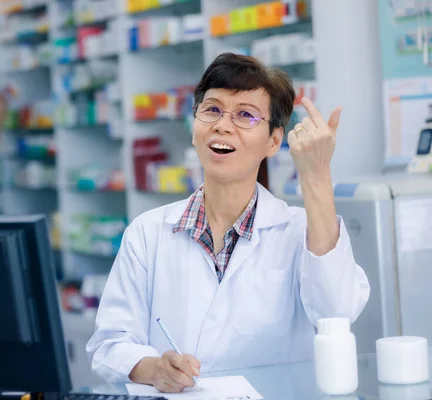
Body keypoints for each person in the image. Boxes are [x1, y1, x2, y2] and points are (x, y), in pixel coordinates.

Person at [86, 53, 370, 392]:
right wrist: (152, 368)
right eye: (212, 110)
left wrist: (317, 175)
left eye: (245, 115)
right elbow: (109, 344)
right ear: (194, 129)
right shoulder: (147, 233)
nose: (222, 125)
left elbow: (336, 314)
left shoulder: (299, 231)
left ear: (273, 141)